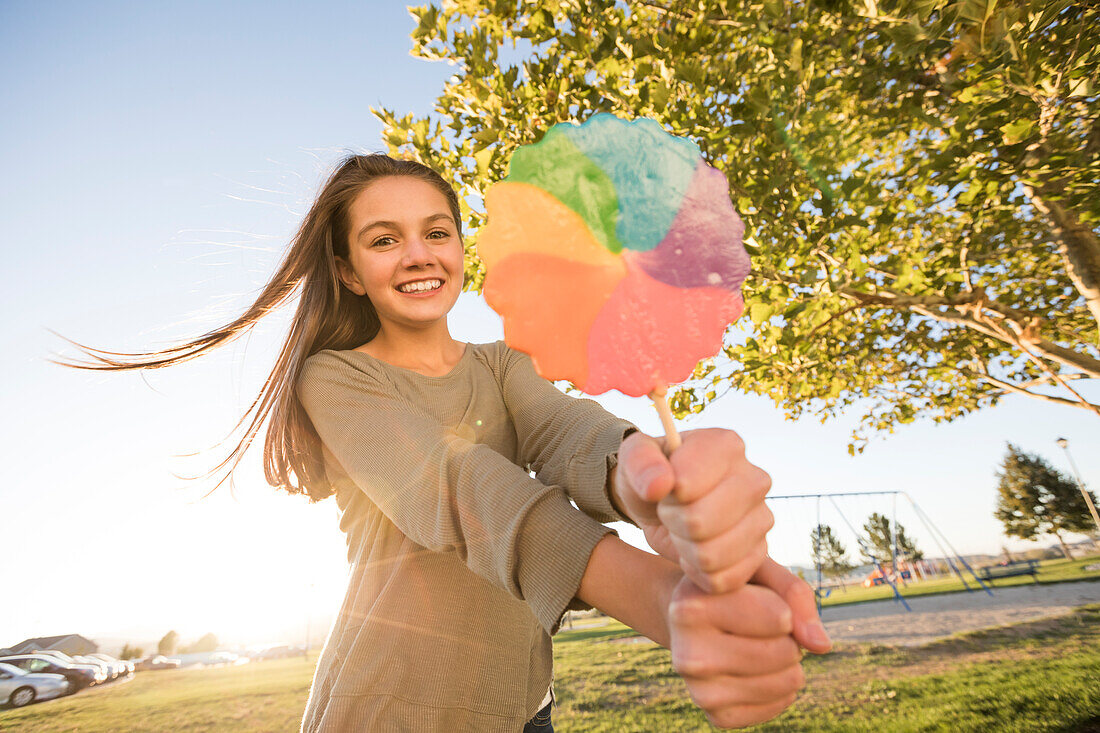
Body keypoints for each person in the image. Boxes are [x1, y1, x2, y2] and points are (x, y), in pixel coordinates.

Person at [56, 153, 830, 732]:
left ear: (461, 249)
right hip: (391, 709)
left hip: (523, 706)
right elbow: (464, 493)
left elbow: (568, 432)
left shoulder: (504, 362)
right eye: (384, 239)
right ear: (349, 272)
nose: (419, 254)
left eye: (436, 231)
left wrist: (646, 481)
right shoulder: (336, 379)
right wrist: (659, 597)